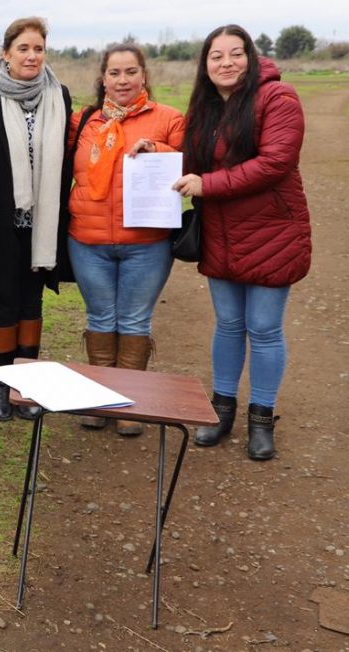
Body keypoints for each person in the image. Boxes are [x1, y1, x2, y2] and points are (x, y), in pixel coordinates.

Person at [172, 25, 311, 460]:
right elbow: (190, 162)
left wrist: (207, 185)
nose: (226, 63)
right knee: (229, 324)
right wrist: (155, 150)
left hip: (272, 231)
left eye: (235, 54)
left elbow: (274, 163)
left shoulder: (278, 98)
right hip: (222, 233)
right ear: (205, 64)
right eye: (216, 56)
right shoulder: (206, 105)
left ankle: (262, 418)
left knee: (265, 329)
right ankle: (222, 409)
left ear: (250, 58)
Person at [0, 17, 74, 421]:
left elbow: (67, 163)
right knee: (3, 301)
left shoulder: (60, 96)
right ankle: (3, 385)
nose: (31, 55)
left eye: (38, 48)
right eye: (23, 48)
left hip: (42, 223)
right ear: (6, 53)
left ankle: (29, 385)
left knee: (33, 301)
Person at [67, 45, 185, 435]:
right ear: (103, 77)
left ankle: (129, 406)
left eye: (130, 72)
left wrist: (158, 149)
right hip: (88, 240)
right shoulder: (82, 122)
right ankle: (100, 400)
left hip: (147, 242)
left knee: (134, 319)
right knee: (100, 317)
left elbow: (192, 163)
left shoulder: (168, 119)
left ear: (144, 76)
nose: (122, 80)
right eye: (114, 73)